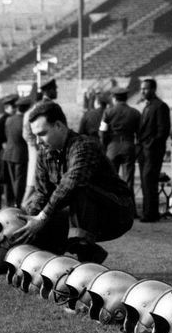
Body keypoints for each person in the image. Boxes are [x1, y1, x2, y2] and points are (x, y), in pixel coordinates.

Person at [14, 101, 135, 264]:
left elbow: (71, 184)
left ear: (59, 126)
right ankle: (50, 263)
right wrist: (29, 221)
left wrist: (41, 218)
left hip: (116, 213)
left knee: (77, 190)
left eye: (42, 133)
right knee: (40, 219)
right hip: (81, 212)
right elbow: (42, 192)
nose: (38, 141)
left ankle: (87, 258)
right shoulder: (44, 153)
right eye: (35, 135)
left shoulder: (84, 146)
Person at [137, 78, 170, 223]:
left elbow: (163, 131)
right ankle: (148, 212)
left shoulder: (161, 106)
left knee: (149, 181)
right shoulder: (147, 107)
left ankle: (150, 213)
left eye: (145, 89)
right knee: (145, 182)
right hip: (144, 150)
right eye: (142, 89)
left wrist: (150, 144)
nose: (142, 91)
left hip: (153, 151)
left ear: (153, 89)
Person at [21, 78, 57, 210]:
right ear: (48, 90)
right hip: (45, 151)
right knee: (39, 183)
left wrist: (33, 145)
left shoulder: (33, 108)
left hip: (37, 150)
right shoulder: (48, 108)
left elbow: (26, 133)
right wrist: (38, 145)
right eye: (54, 89)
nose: (56, 91)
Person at [100, 86, 140, 193]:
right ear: (126, 98)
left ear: (114, 98)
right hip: (129, 146)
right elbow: (140, 133)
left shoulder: (108, 112)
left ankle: (113, 208)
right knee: (128, 181)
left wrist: (104, 147)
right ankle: (129, 207)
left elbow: (102, 132)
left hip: (112, 147)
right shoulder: (135, 113)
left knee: (111, 181)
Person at [2, 99, 29, 208]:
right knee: (19, 181)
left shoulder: (9, 120)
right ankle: (17, 202)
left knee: (12, 180)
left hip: (9, 153)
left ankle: (11, 201)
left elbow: (7, 135)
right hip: (20, 154)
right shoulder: (25, 121)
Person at [0, 94, 17, 179]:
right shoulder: (4, 119)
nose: (15, 109)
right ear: (7, 108)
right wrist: (4, 141)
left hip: (9, 150)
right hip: (4, 150)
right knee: (5, 173)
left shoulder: (10, 118)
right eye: (13, 107)